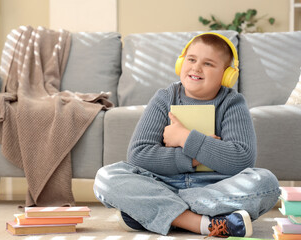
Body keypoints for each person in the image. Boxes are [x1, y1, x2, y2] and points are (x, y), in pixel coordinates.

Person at [93, 32, 281, 237]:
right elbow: (139, 155)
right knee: (106, 177)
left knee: (266, 182)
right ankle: (202, 223)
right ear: (181, 63)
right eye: (191, 59)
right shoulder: (164, 98)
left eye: (208, 64)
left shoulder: (233, 103)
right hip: (162, 183)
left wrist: (184, 137)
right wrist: (192, 158)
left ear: (227, 75)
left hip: (214, 187)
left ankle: (155, 211)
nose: (196, 67)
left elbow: (241, 159)